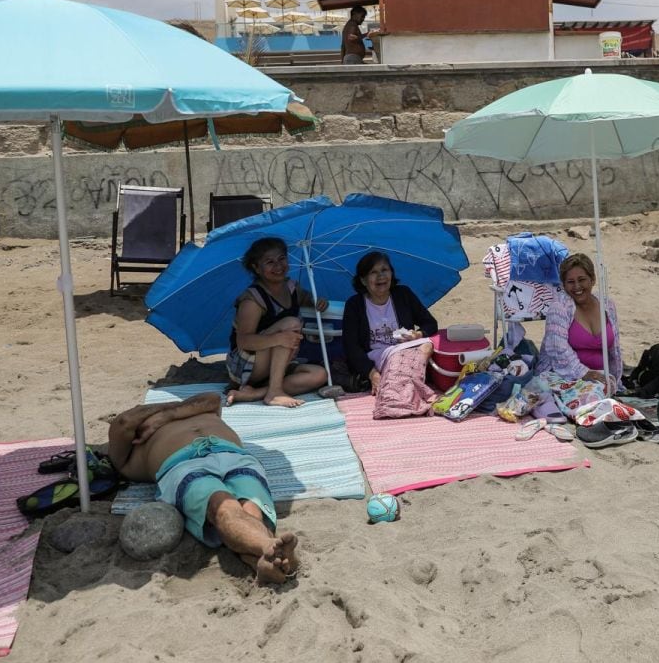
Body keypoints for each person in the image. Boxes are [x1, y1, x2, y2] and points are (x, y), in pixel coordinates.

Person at [107, 392, 299, 584]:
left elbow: (213, 398)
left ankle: (263, 560)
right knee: (222, 505)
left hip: (234, 454)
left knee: (252, 508)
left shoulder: (169, 415)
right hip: (183, 464)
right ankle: (269, 547)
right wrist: (173, 411)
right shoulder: (131, 449)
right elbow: (124, 421)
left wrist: (166, 416)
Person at [225, 237, 328, 407]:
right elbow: (243, 341)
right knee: (291, 323)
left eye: (282, 259)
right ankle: (273, 393)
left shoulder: (292, 287)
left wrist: (320, 302)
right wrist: (278, 339)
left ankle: (256, 393)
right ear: (256, 268)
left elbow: (309, 299)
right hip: (247, 366)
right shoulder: (252, 299)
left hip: (278, 363)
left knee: (319, 375)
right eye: (269, 262)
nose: (278, 266)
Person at [342, 251, 439, 393]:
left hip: (407, 351)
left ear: (391, 274)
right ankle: (405, 390)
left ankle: (400, 387)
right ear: (363, 280)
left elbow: (430, 323)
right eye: (373, 272)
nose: (381, 276)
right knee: (403, 359)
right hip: (376, 358)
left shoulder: (403, 294)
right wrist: (373, 374)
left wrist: (417, 335)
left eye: (384, 270)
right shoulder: (354, 305)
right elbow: (351, 347)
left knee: (427, 345)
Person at [538, 253, 623, 393]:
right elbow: (557, 348)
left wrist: (614, 379)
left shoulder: (607, 305)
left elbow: (615, 351)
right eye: (570, 282)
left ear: (593, 279)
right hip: (563, 379)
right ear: (564, 285)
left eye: (582, 280)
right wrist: (585, 373)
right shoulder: (559, 308)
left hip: (602, 380)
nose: (577, 287)